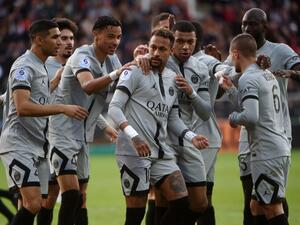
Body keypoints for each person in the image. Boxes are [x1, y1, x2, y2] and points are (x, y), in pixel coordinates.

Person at [108, 28, 209, 225]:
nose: (155, 53)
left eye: (162, 49)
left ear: (170, 51)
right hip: (133, 152)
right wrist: (134, 136)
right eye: (153, 47)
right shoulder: (134, 71)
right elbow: (114, 108)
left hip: (161, 153)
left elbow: (173, 119)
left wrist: (191, 136)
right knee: (135, 216)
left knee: (181, 204)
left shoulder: (173, 78)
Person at [0, 19, 88, 225]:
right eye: (55, 37)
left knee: (38, 202)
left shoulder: (40, 66)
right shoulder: (24, 66)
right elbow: (23, 107)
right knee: (33, 204)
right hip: (18, 143)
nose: (59, 42)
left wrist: (55, 82)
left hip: (38, 146)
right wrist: (62, 108)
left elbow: (38, 97)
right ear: (39, 39)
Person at [48, 16, 129, 225]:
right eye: (110, 36)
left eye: (119, 37)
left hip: (84, 136)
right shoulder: (81, 55)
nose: (116, 42)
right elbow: (88, 86)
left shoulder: (112, 60)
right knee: (69, 195)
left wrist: (106, 125)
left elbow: (124, 86)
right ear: (96, 34)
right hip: (61, 132)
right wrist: (117, 73)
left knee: (81, 197)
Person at [223, 8, 300, 225]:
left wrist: (233, 118)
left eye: (253, 24)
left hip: (272, 137)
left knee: (274, 203)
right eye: (244, 24)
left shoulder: (279, 52)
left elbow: (250, 114)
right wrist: (228, 86)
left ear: (265, 26)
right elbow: (225, 80)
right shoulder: (261, 71)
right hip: (255, 140)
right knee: (255, 202)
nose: (247, 28)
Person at [166, 21, 212, 223]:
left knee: (200, 203)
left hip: (188, 138)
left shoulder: (200, 69)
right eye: (180, 41)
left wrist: (191, 92)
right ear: (171, 41)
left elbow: (205, 112)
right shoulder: (162, 62)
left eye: (190, 42)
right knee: (164, 201)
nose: (185, 46)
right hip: (164, 139)